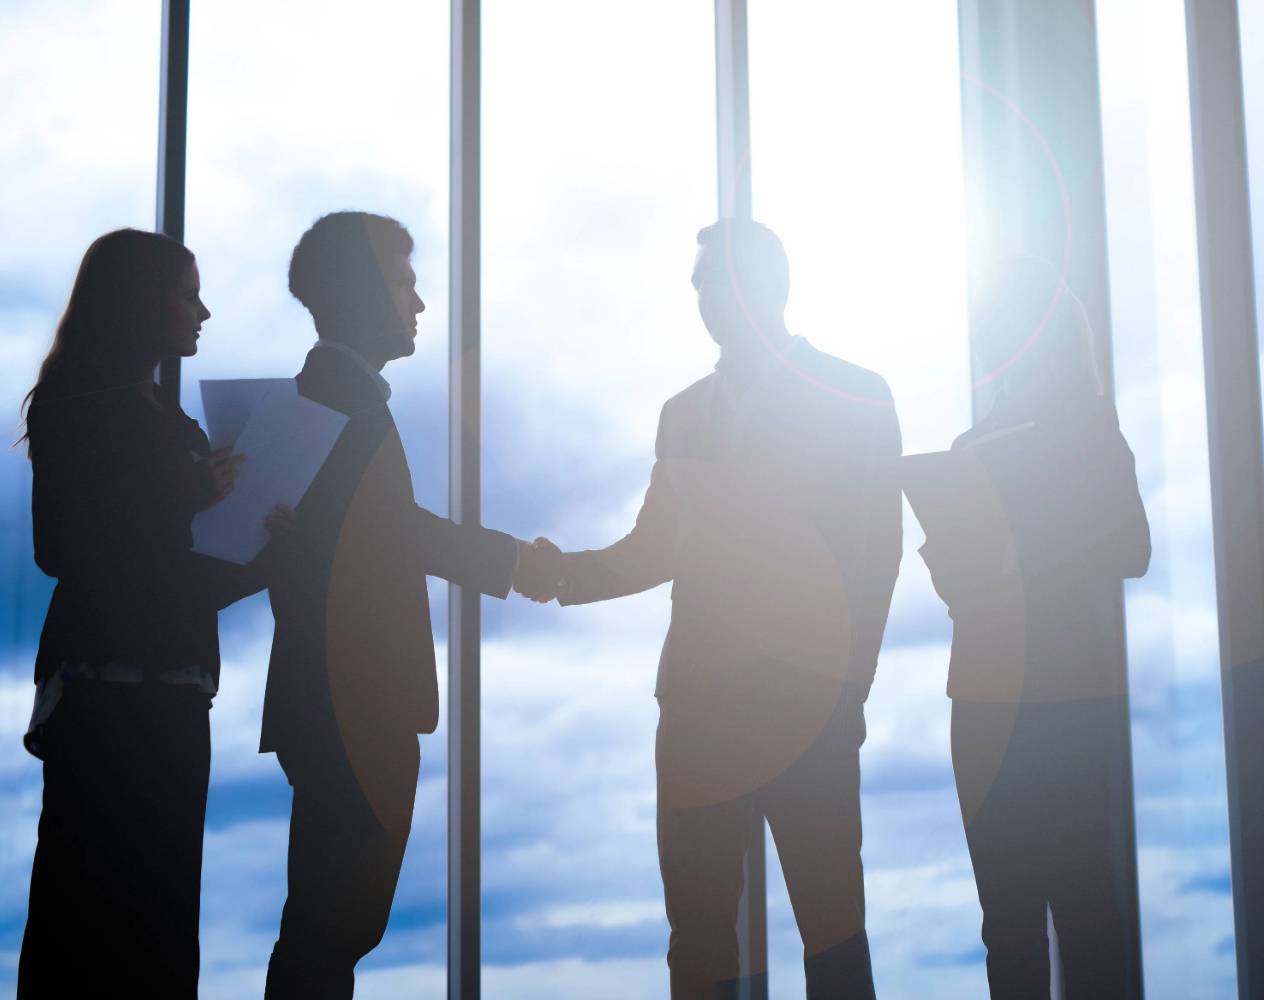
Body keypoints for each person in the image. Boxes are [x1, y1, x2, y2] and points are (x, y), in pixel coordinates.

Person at [517, 220, 903, 999]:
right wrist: (563, 576)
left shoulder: (854, 394)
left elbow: (878, 554)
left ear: (768, 284)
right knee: (698, 945)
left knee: (833, 935)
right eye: (696, 286)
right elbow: (654, 549)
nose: (701, 299)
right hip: (698, 713)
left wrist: (847, 686)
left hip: (807, 702)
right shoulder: (683, 412)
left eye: (713, 282)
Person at [260, 211, 552, 999]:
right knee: (331, 929)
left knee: (330, 929)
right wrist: (520, 562)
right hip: (350, 703)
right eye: (404, 282)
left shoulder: (343, 395)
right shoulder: (337, 401)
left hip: (342, 701)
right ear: (361, 292)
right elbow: (396, 535)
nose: (419, 303)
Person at [17, 229, 288, 998]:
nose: (203, 311)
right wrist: (191, 497)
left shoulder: (172, 425)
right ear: (143, 301)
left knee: (161, 928)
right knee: (93, 922)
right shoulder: (83, 403)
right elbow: (62, 545)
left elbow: (176, 576)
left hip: (173, 695)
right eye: (187, 292)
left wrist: (268, 558)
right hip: (109, 700)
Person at [918, 256, 1151, 997]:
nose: (992, 346)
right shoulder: (968, 449)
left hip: (1068, 698)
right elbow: (960, 592)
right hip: (986, 696)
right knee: (1008, 922)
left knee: (1086, 914)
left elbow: (1132, 549)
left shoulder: (1092, 439)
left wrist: (1028, 548)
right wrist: (950, 557)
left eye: (1003, 330)